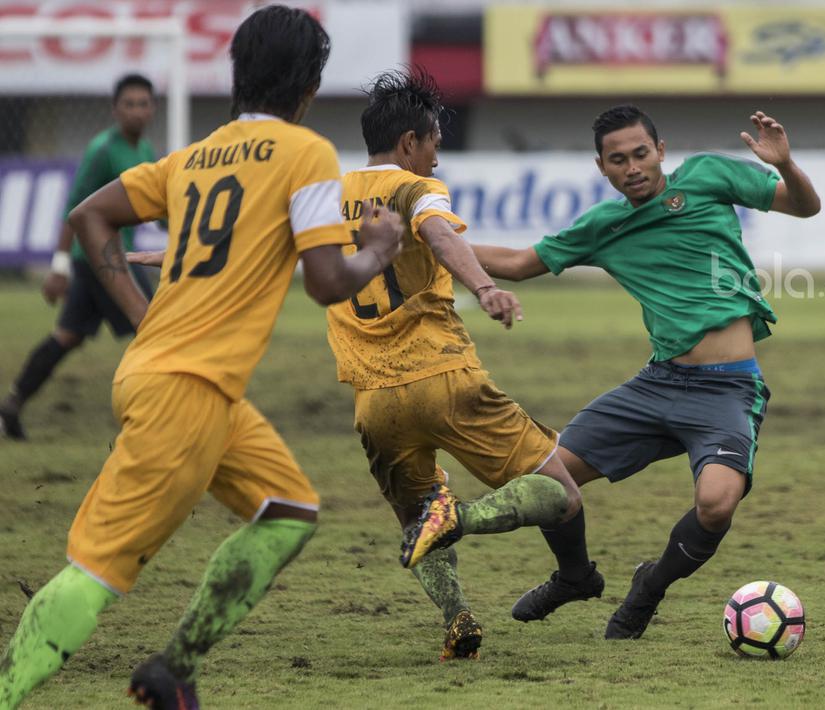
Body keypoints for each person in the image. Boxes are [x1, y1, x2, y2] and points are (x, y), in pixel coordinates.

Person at [0, 6, 403, 709]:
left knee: (288, 510)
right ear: (308, 86)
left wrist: (139, 314)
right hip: (184, 393)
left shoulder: (192, 158)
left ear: (237, 75)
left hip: (186, 382)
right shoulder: (305, 153)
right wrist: (379, 247)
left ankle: (173, 669)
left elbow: (88, 216)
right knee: (95, 571)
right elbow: (326, 283)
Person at [132, 68, 582, 661]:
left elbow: (245, 244)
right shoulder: (413, 188)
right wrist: (483, 286)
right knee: (562, 494)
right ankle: (464, 518)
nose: (436, 162)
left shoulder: (322, 196)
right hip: (444, 378)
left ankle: (458, 620)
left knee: (415, 516)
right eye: (434, 148)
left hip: (375, 403)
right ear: (408, 144)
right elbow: (441, 235)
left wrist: (165, 255)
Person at [416, 104, 820, 640]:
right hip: (657, 386)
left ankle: (648, 589)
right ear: (601, 167)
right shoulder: (603, 227)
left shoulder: (708, 175)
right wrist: (425, 240)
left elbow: (805, 207)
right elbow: (516, 263)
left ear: (660, 151)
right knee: (545, 479)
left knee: (717, 504)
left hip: (728, 388)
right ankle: (575, 576)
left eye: (640, 154)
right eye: (618, 160)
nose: (632, 167)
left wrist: (787, 165)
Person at [0, 74, 157, 441]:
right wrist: (58, 267)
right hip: (102, 262)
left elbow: (152, 206)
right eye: (129, 104)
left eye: (144, 103)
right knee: (155, 328)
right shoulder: (102, 149)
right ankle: (156, 418)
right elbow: (76, 209)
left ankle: (11, 404)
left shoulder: (145, 150)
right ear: (115, 109)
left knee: (67, 336)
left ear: (153, 109)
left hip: (112, 259)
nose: (137, 111)